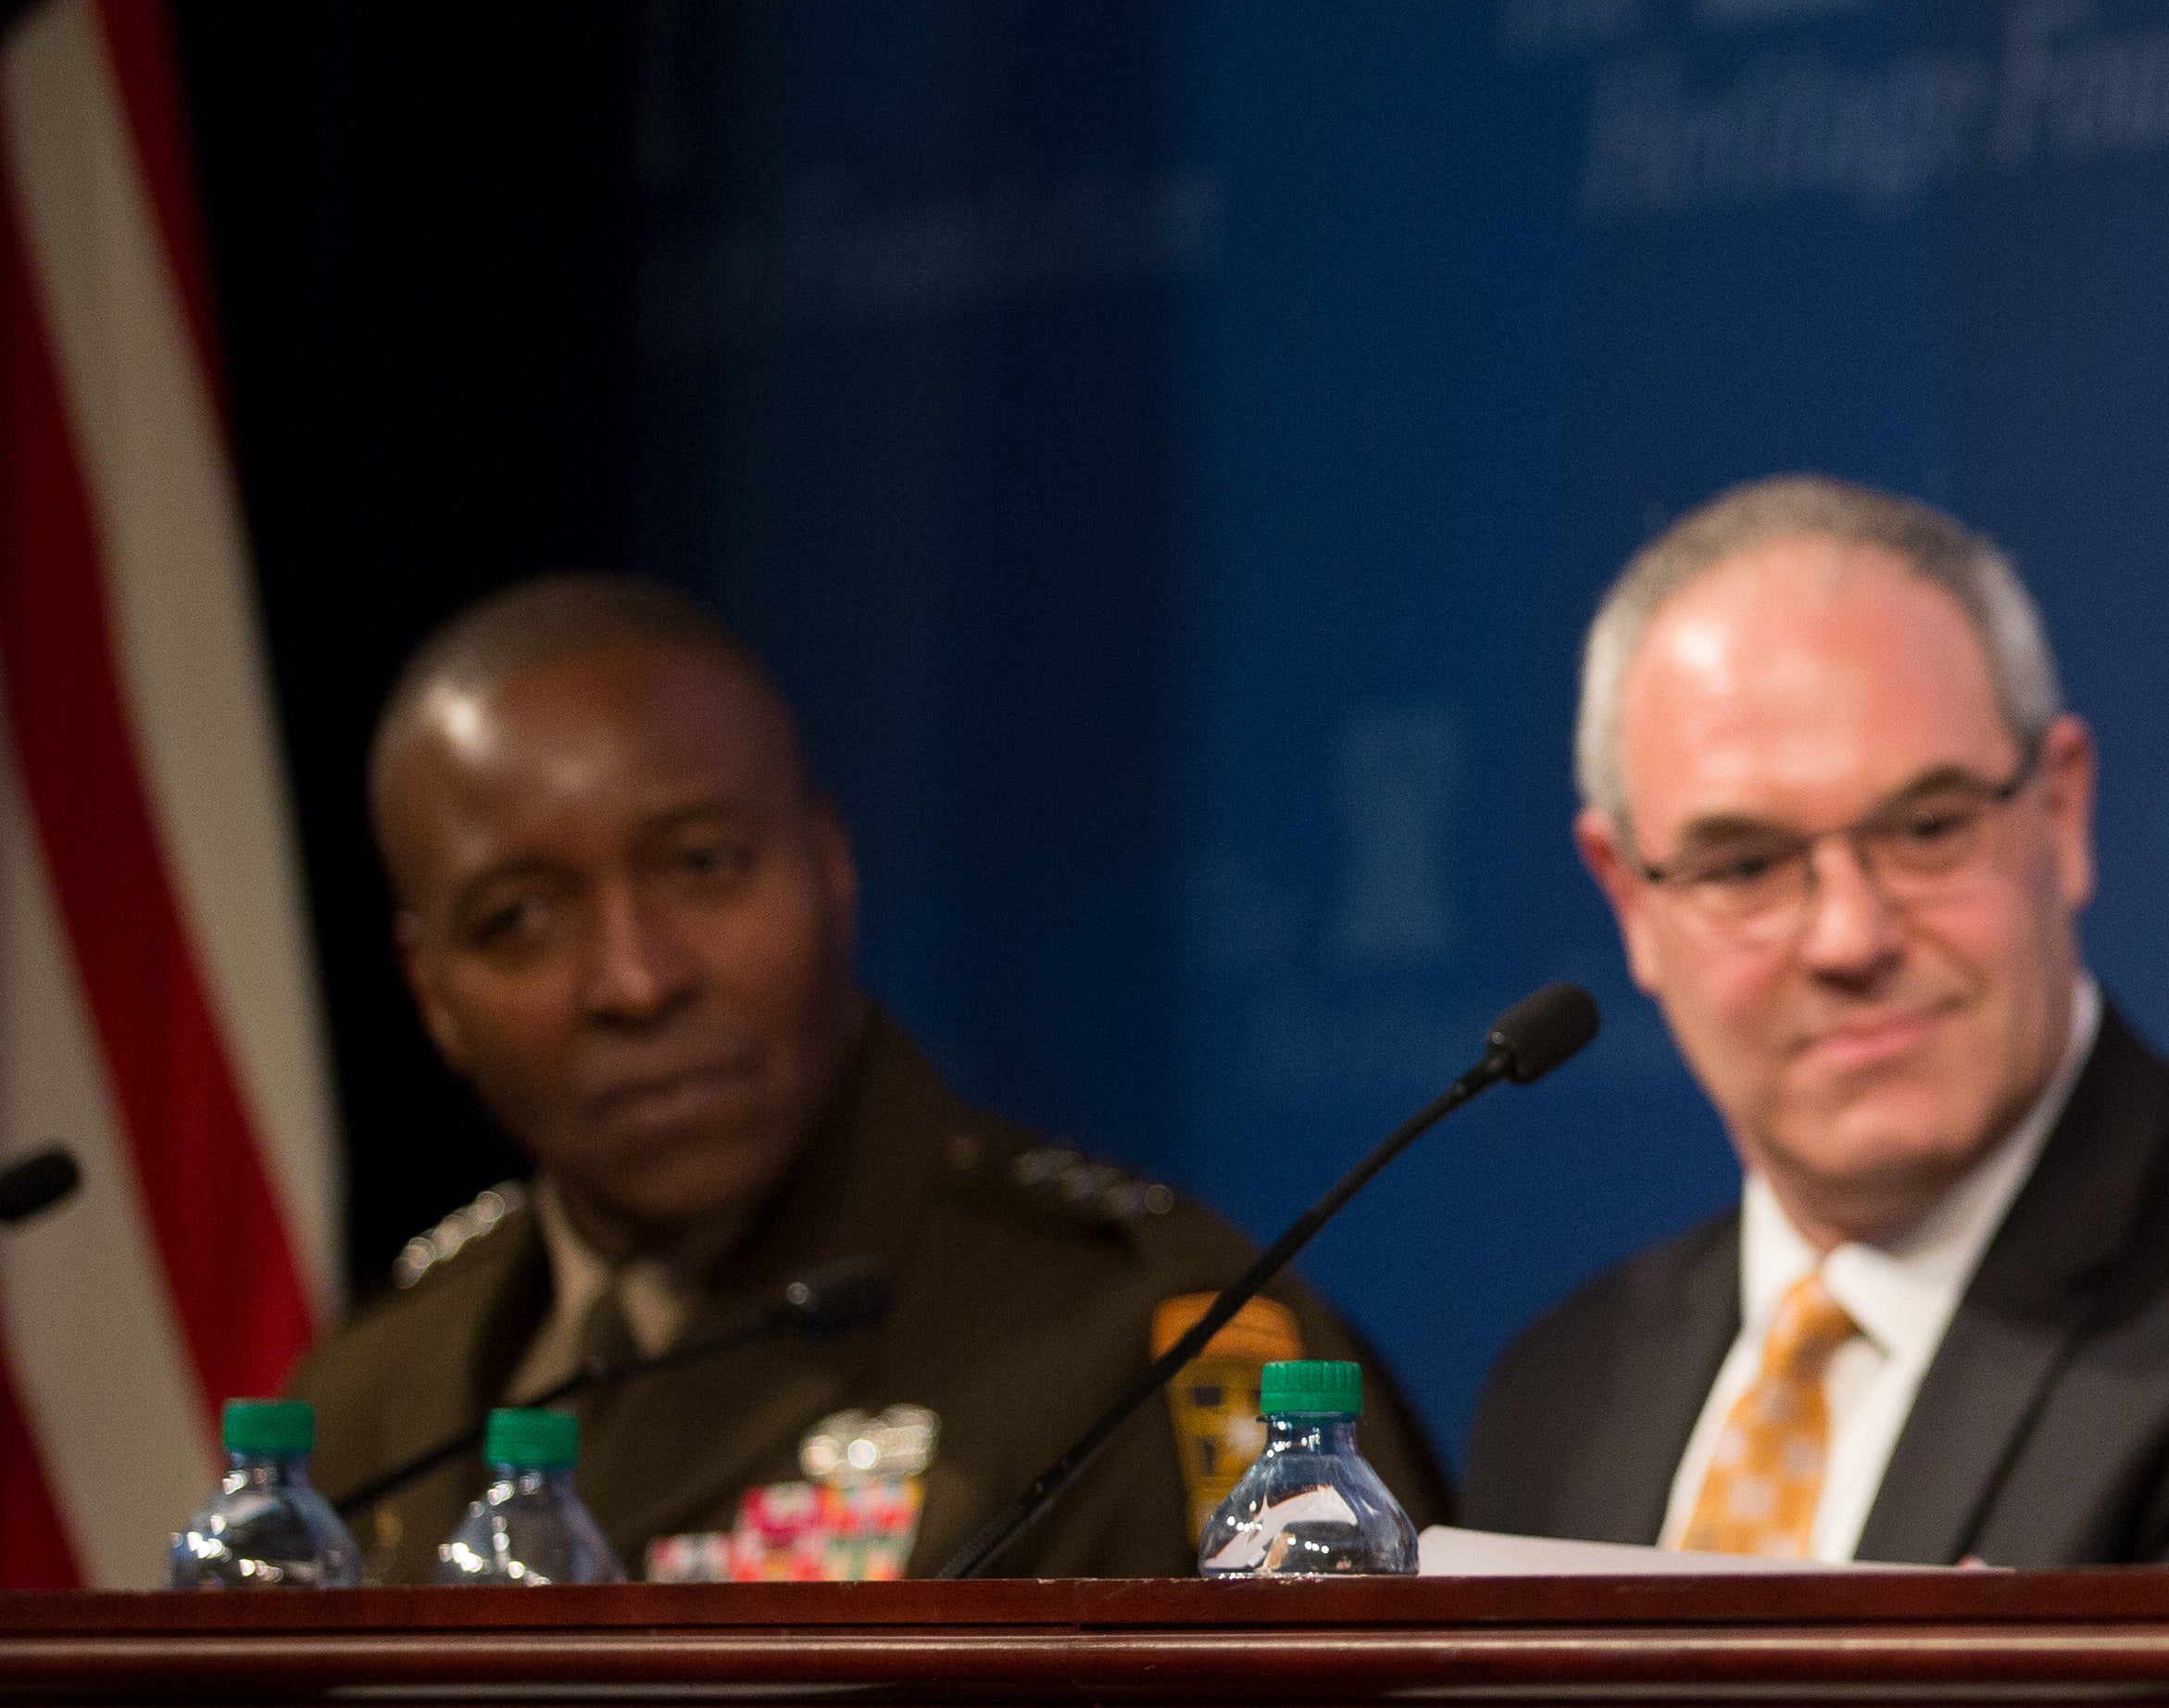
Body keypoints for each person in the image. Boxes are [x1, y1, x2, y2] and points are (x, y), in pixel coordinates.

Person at [1464, 479, 2169, 1564]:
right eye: (1745, 865)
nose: (1849, 938)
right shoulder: (1562, 1390)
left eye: (1927, 829)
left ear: (2061, 810)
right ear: (1630, 900)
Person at [288, 577, 1448, 1579]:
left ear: (830, 863)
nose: (635, 981)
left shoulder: (1142, 1349)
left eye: (703, 865)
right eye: (522, 918)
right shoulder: (363, 1405)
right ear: (430, 990)